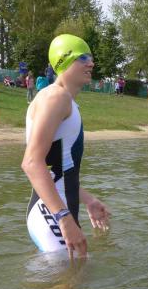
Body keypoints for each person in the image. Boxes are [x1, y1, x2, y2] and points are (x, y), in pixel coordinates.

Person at [21, 34, 111, 258]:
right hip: (51, 214)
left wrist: (88, 200)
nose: (91, 63)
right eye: (83, 58)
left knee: (75, 275)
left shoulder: (65, 100)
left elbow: (58, 172)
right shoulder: (55, 97)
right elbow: (31, 163)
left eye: (91, 58)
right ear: (64, 60)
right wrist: (63, 218)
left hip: (58, 210)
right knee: (67, 276)